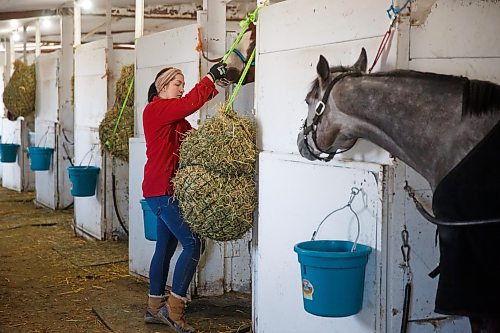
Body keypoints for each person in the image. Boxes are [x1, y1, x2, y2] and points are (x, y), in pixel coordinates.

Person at [142, 62, 227, 333]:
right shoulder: (156, 110)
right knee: (193, 244)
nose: (182, 88)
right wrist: (210, 78)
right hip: (161, 191)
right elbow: (189, 103)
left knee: (165, 249)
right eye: (177, 84)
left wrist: (216, 89)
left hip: (163, 190)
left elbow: (191, 135)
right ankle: (174, 309)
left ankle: (154, 307)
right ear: (163, 87)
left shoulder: (175, 120)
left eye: (182, 84)